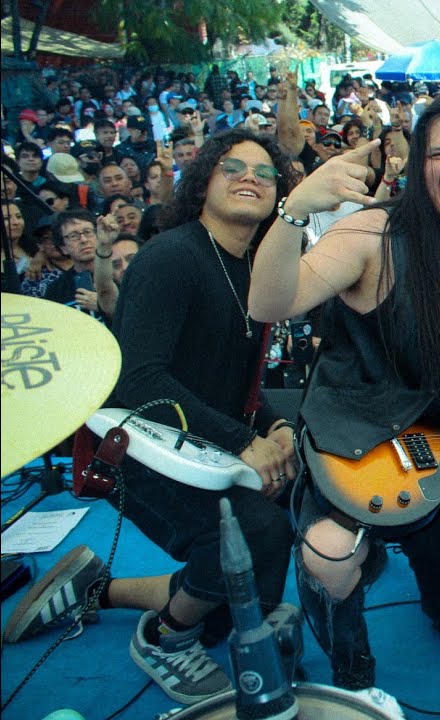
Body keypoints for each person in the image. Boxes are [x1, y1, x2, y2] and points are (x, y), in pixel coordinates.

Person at [247, 93, 440, 706]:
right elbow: (267, 304)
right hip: (360, 437)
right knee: (331, 556)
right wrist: (294, 211)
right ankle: (354, 678)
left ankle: (405, 548)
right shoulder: (372, 235)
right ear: (417, 164)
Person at [66, 128, 300, 705]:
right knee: (254, 531)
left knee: (235, 603)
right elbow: (140, 379)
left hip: (198, 445)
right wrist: (241, 441)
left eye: (265, 172)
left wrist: (271, 424)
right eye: (232, 167)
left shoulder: (251, 269)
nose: (250, 177)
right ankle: (166, 637)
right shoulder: (170, 257)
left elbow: (229, 378)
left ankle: (101, 590)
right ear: (202, 183)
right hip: (131, 447)